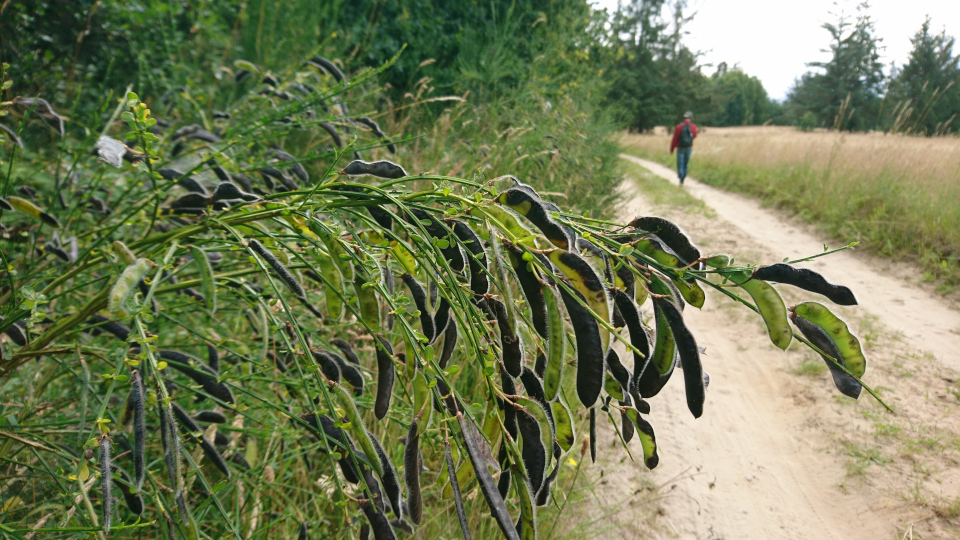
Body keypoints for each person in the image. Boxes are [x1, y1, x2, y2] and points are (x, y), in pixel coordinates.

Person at [669, 111, 698, 185]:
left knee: (680, 162)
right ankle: (684, 176)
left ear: (683, 118)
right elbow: (694, 136)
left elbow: (675, 138)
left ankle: (681, 177)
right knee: (686, 163)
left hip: (680, 147)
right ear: (691, 119)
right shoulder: (693, 127)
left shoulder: (679, 127)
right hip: (688, 147)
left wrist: (672, 148)